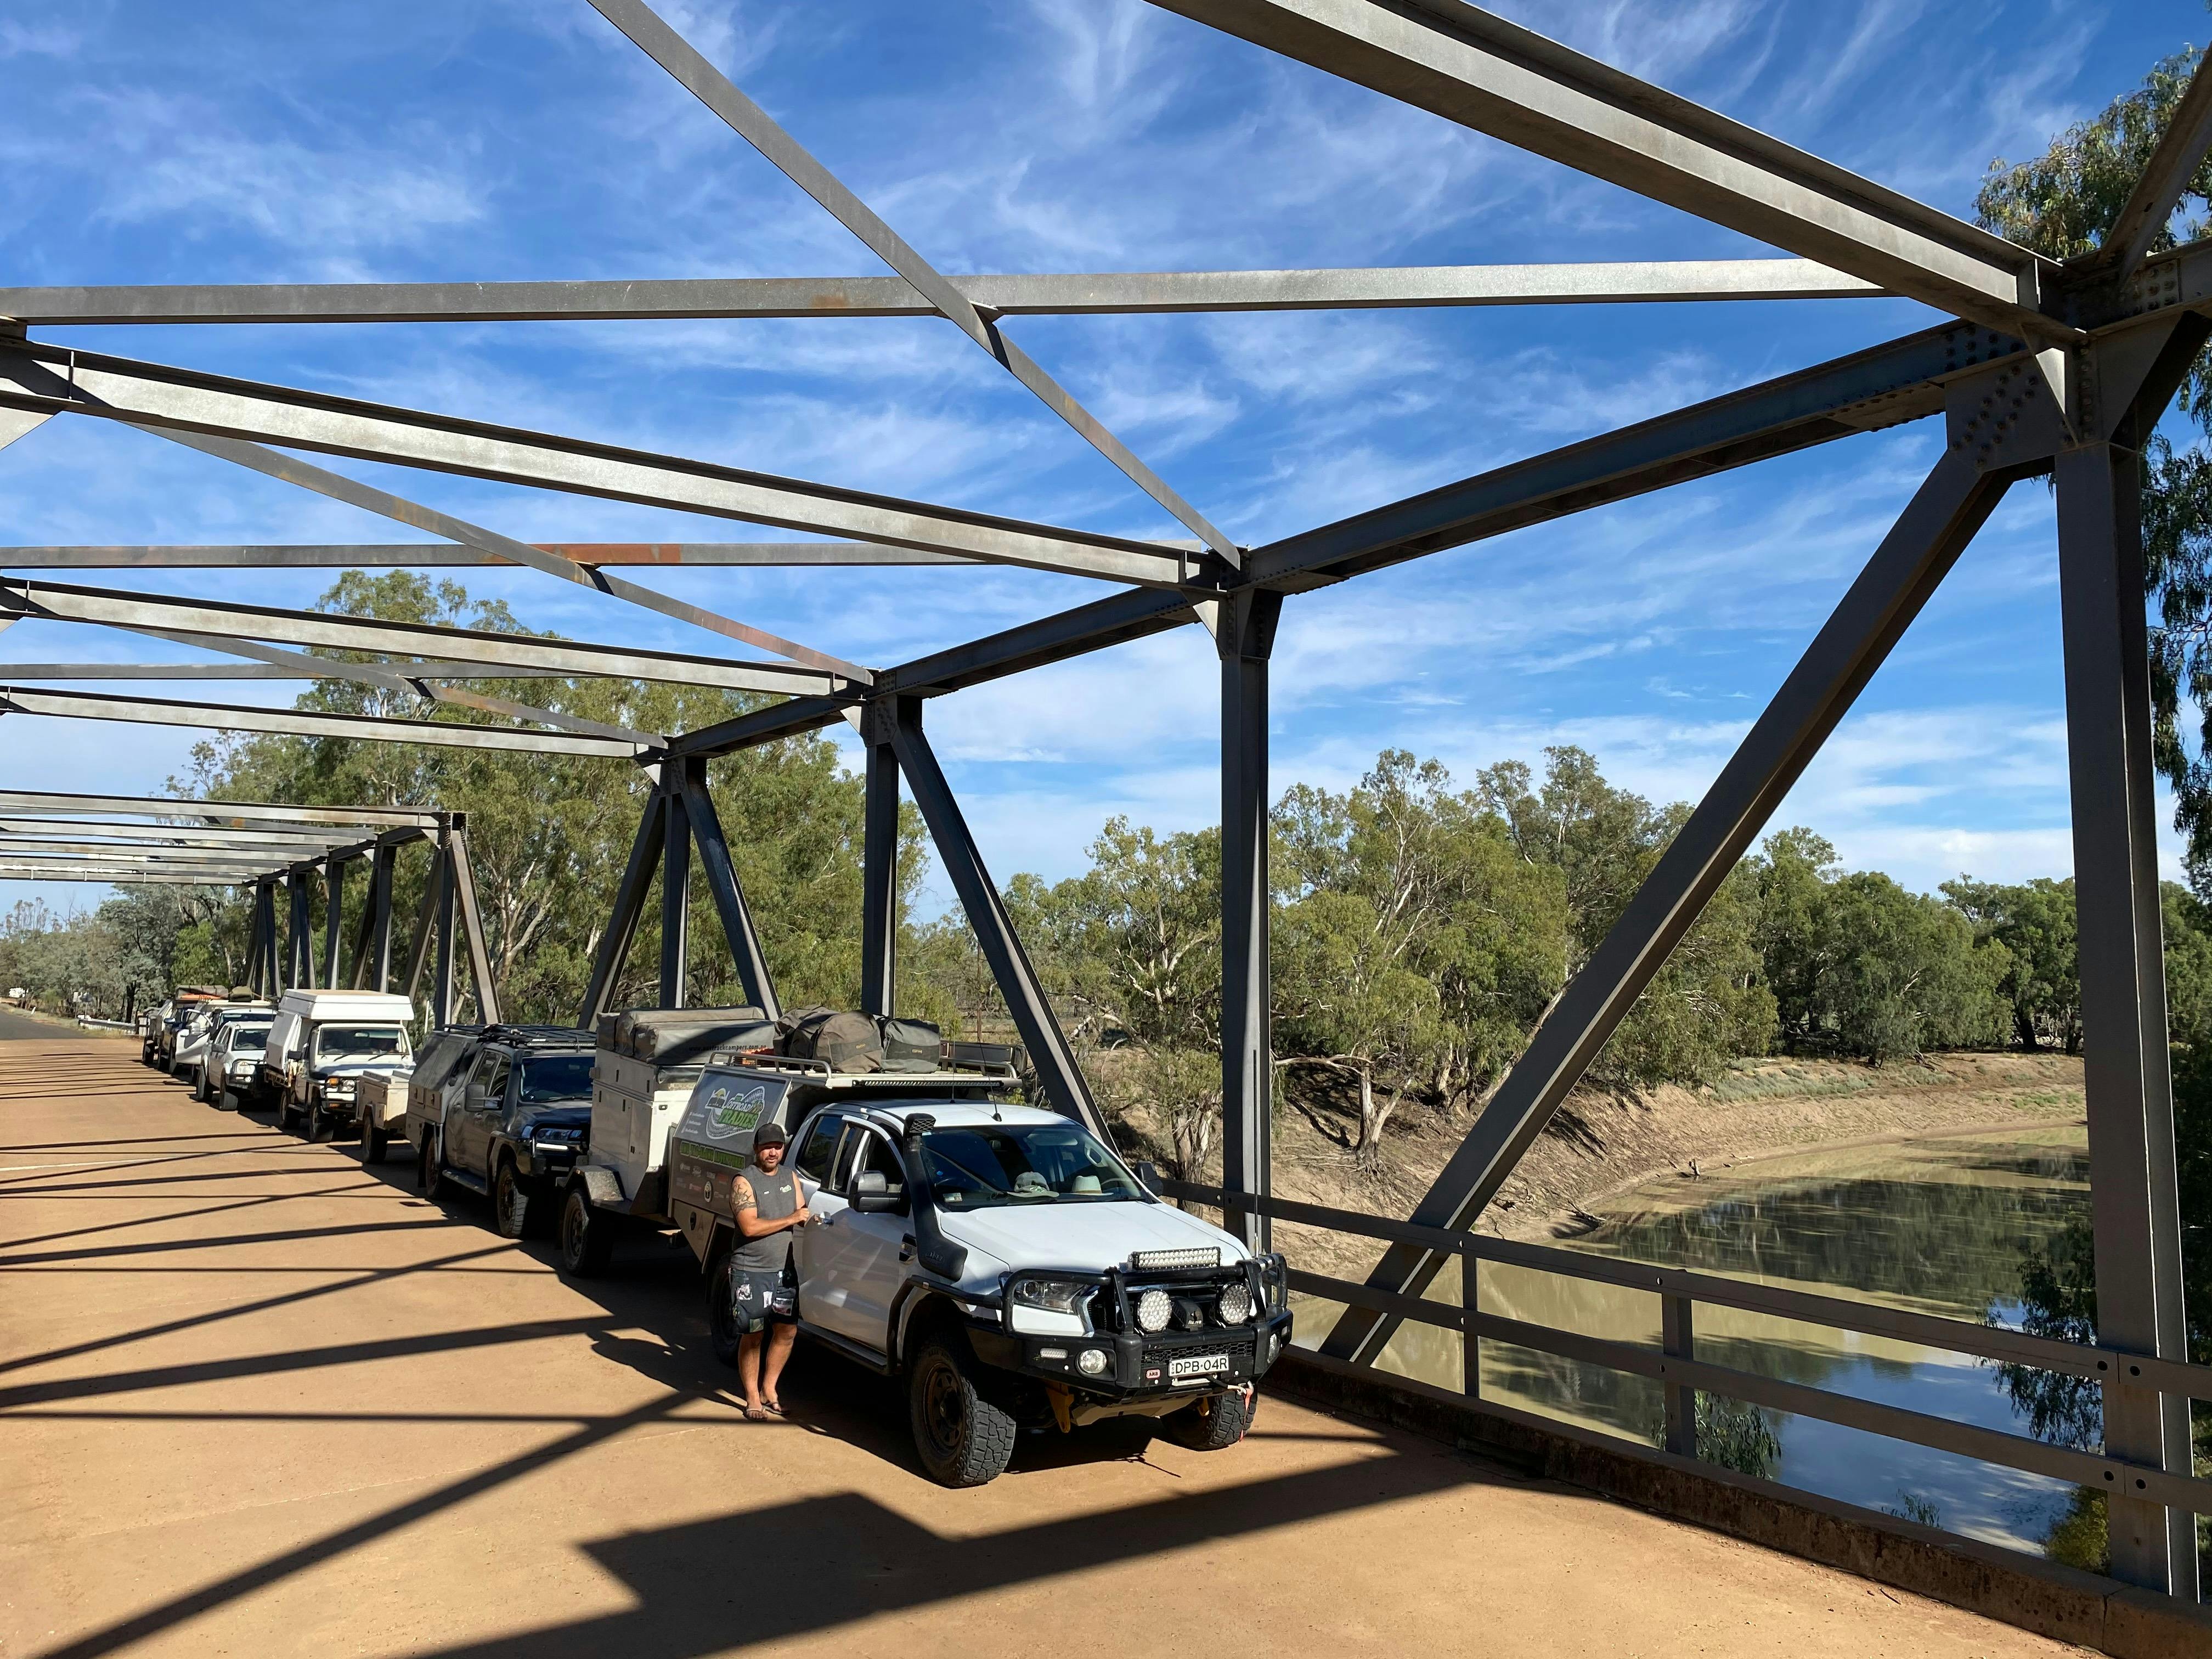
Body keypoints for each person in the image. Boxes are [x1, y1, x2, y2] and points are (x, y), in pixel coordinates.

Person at [729, 1120, 811, 1420]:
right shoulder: (744, 1181)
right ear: (756, 1150)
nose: (773, 1152)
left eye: (777, 1146)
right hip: (751, 1271)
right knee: (753, 1334)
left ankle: (770, 1389)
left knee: (787, 1332)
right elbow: (749, 1227)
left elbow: (803, 1213)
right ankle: (751, 1395)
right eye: (767, 1147)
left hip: (784, 1271)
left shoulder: (792, 1177)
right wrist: (792, 1218)